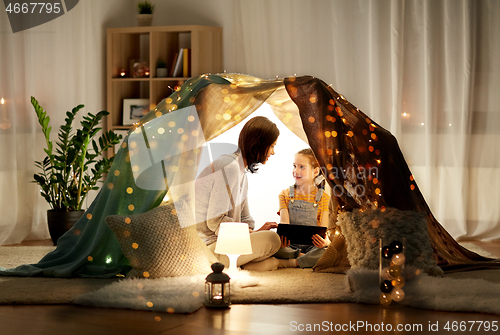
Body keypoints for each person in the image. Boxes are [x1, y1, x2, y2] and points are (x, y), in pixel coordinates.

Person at [195, 116, 282, 271]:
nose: (273, 152)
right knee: (273, 240)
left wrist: (255, 231)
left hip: (227, 241)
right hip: (210, 247)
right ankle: (281, 262)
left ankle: (252, 263)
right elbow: (215, 221)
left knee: (275, 242)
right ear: (258, 144)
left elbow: (245, 218)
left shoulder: (241, 172)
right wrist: (253, 234)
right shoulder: (230, 167)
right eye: (272, 146)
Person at [274, 148, 331, 268]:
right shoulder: (284, 194)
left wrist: (325, 242)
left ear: (315, 171)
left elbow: (323, 230)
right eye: (294, 166)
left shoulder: (324, 198)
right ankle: (302, 258)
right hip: (290, 246)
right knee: (272, 246)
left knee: (327, 252)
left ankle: (292, 262)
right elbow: (285, 224)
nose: (296, 171)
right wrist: (282, 241)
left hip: (312, 247)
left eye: (302, 167)